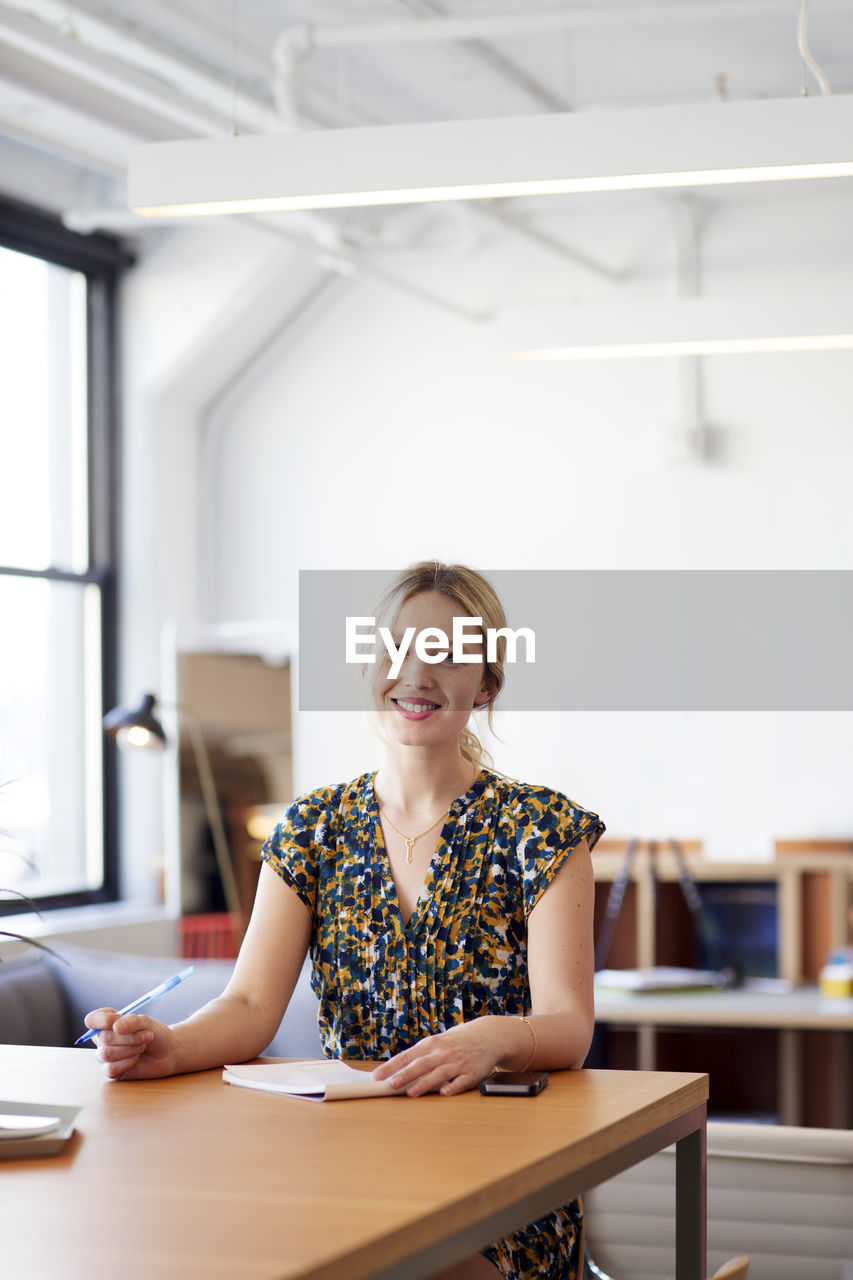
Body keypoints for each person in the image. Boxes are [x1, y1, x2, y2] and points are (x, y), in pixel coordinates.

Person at [85, 561, 604, 1280]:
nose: (415, 673)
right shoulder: (311, 828)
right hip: (347, 1166)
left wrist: (493, 1038)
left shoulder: (542, 828)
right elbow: (248, 1004)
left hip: (503, 1180)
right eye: (395, 649)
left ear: (484, 684)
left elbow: (568, 1025)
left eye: (447, 654)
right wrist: (169, 1046)